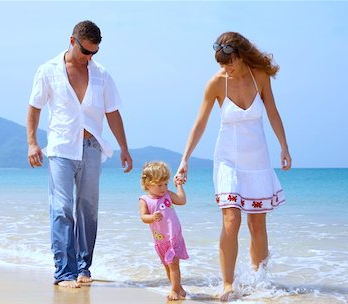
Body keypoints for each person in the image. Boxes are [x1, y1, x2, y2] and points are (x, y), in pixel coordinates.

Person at [175, 32, 291, 301]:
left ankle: (259, 281)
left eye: (229, 63)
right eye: (221, 63)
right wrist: (185, 159)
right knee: (230, 218)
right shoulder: (216, 83)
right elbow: (200, 123)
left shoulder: (259, 76)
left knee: (257, 223)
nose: (224, 68)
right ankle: (227, 283)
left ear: (240, 56)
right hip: (227, 159)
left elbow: (272, 111)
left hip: (258, 159)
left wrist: (284, 147)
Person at [26, 20, 133, 288]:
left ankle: (83, 267)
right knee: (61, 207)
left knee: (88, 210)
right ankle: (64, 272)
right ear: (72, 41)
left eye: (94, 52)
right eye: (86, 51)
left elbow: (113, 112)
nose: (89, 57)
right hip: (61, 148)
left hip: (92, 148)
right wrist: (32, 143)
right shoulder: (48, 70)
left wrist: (124, 148)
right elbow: (34, 107)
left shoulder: (102, 74)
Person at [139, 161, 189, 300]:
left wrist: (179, 186)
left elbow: (182, 200)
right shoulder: (144, 200)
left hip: (173, 237)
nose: (163, 188)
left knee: (173, 265)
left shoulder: (167, 194)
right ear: (148, 184)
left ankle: (174, 290)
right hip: (160, 240)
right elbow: (143, 217)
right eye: (159, 185)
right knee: (168, 267)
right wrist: (152, 217)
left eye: (165, 184)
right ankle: (179, 288)